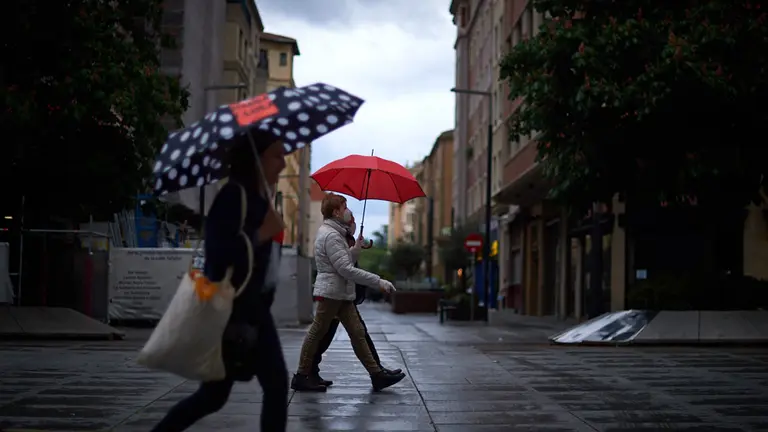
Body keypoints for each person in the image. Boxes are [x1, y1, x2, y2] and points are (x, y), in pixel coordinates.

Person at [151, 134, 289, 432]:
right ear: (257, 159)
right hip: (232, 311)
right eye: (277, 155)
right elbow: (219, 252)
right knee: (240, 391)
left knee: (224, 394)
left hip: (253, 310)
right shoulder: (233, 196)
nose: (284, 163)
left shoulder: (260, 199)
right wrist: (262, 233)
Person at [291, 193, 405, 392]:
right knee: (317, 332)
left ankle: (376, 374)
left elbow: (343, 263)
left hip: (340, 293)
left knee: (357, 332)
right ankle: (302, 375)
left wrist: (356, 248)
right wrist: (377, 281)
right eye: (345, 207)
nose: (348, 210)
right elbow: (345, 269)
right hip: (332, 293)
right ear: (335, 212)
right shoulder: (331, 235)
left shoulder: (336, 233)